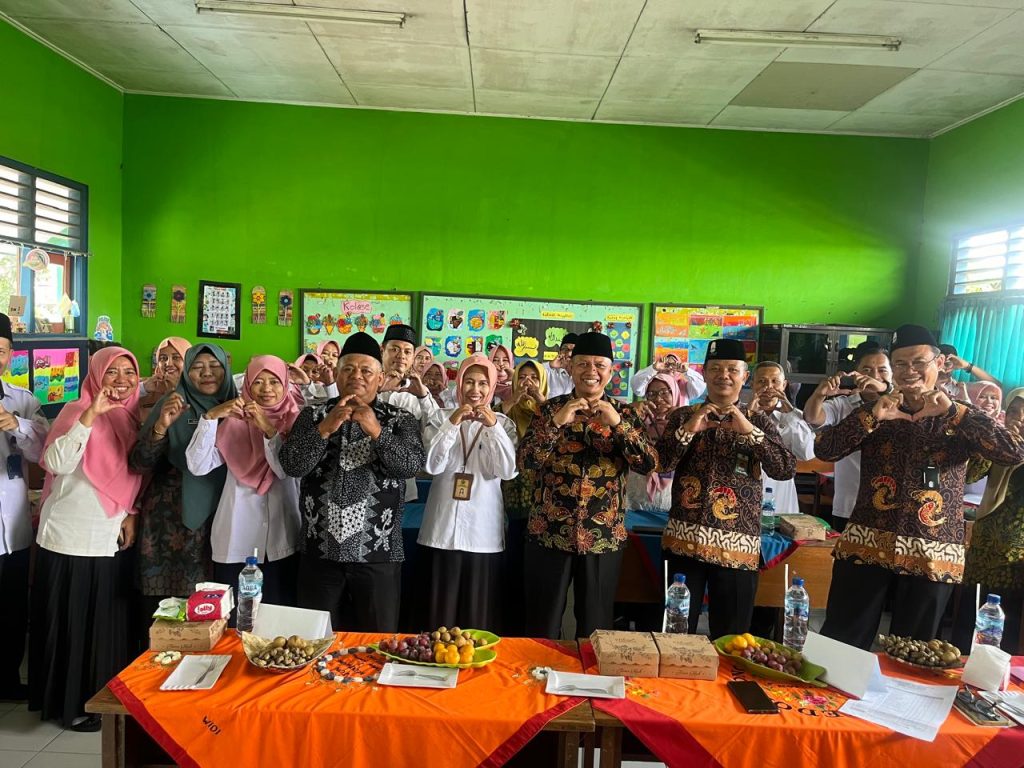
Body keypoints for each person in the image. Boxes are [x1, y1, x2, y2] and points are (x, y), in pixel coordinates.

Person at [816, 325, 1024, 649]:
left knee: (913, 654)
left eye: (918, 362)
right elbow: (825, 449)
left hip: (933, 553)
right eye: (900, 364)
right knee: (841, 643)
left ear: (939, 363)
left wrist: (956, 414)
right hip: (866, 544)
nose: (909, 371)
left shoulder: (961, 414)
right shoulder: (877, 411)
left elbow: (1013, 452)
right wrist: (871, 416)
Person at [29, 347, 143, 731]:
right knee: (73, 624)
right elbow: (55, 463)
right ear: (96, 375)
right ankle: (68, 704)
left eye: (129, 372)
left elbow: (137, 474)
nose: (122, 380)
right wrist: (90, 416)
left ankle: (101, 701)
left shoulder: (132, 417)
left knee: (103, 624)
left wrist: (132, 512)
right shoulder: (76, 411)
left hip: (109, 535)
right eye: (112, 372)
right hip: (69, 536)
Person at [279, 332, 425, 631]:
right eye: (348, 368)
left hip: (379, 554)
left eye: (366, 370)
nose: (356, 376)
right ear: (336, 373)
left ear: (380, 378)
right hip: (319, 553)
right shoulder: (313, 415)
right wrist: (325, 428)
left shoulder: (400, 419)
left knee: (377, 642)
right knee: (313, 642)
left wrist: (377, 431)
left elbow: (410, 466)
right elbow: (292, 465)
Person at [518, 332, 657, 639]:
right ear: (570, 367)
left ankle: (590, 672)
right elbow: (525, 462)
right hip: (549, 532)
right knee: (541, 623)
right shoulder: (548, 410)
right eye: (582, 363)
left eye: (599, 364)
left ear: (611, 370)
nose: (590, 371)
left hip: (603, 537)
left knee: (596, 628)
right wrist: (557, 423)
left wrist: (618, 426)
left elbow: (648, 464)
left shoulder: (626, 413)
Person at [658, 339, 796, 637]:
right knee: (675, 634)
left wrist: (750, 432)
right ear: (704, 373)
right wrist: (689, 429)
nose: (724, 375)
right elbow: (661, 463)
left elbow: (784, 468)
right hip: (684, 542)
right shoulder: (682, 416)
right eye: (716, 369)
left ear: (744, 376)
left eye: (733, 369)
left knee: (732, 639)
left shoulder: (758, 420)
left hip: (738, 547)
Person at [131, 344, 237, 625]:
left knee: (220, 607)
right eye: (197, 367)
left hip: (225, 516)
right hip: (172, 522)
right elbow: (139, 463)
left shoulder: (239, 405)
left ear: (226, 369)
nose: (207, 373)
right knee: (170, 612)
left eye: (214, 366)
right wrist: (161, 426)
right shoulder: (173, 403)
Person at [185, 356, 301, 607]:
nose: (266, 389)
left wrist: (267, 428)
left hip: (282, 539)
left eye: (274, 381)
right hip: (237, 536)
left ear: (285, 384)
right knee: (238, 618)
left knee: (280, 617)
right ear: (247, 385)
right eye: (258, 382)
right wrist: (210, 418)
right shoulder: (234, 423)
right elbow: (197, 465)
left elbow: (285, 470)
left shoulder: (297, 421)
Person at [418, 355, 517, 630]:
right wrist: (452, 423)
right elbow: (431, 465)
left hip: (482, 533)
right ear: (459, 383)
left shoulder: (504, 424)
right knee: (439, 615)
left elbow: (507, 471)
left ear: (492, 386)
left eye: (483, 383)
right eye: (469, 382)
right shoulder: (440, 417)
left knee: (476, 617)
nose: (475, 389)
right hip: (441, 529)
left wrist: (492, 428)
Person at [951, 388, 1024, 655]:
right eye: (1013, 411)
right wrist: (994, 445)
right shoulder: (998, 443)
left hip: (1015, 555)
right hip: (983, 546)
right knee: (970, 618)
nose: (1019, 418)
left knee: (1006, 629)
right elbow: (970, 475)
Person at [0, 314, 48, 700]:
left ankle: (7, 680)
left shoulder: (23, 400)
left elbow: (43, 452)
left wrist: (16, 425)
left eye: (0, 351)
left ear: (10, 354)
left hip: (12, 523)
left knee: (13, 605)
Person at [802, 342, 892, 533]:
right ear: (855, 374)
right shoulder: (844, 404)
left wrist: (885, 389)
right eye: (867, 370)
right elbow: (812, 417)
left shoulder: (901, 407)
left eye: (882, 370)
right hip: (849, 505)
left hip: (892, 509)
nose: (874, 376)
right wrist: (819, 395)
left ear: (892, 374)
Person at [500, 359, 549, 635]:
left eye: (534, 377)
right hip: (510, 501)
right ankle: (510, 627)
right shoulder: (505, 410)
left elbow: (559, 431)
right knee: (513, 565)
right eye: (522, 377)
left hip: (543, 503)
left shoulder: (550, 411)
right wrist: (511, 401)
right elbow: (492, 425)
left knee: (538, 571)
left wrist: (541, 401)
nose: (528, 382)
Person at [378, 324, 445, 501]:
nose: (401, 356)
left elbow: (437, 430)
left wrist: (423, 397)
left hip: (404, 486)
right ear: (382, 350)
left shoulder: (419, 391)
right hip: (368, 482)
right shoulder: (368, 384)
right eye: (394, 349)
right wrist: (377, 391)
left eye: (407, 352)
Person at [748, 361, 815, 514]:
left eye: (775, 381)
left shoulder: (794, 416)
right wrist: (748, 416)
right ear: (752, 384)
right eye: (761, 381)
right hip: (746, 488)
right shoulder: (742, 414)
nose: (768, 387)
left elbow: (806, 453)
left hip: (780, 490)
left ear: (784, 385)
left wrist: (790, 412)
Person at [625, 373, 679, 512]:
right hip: (637, 493)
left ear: (674, 393)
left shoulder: (686, 421)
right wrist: (632, 413)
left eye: (664, 392)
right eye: (651, 394)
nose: (658, 399)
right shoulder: (639, 420)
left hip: (671, 495)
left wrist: (680, 418)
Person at [138, 337, 191, 421]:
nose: (168, 364)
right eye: (163, 358)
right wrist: (143, 388)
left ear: (189, 361)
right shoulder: (147, 385)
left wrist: (179, 390)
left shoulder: (198, 389)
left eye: (176, 357)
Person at [631, 354, 706, 405]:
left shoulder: (684, 386)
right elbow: (636, 385)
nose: (670, 368)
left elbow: (701, 385)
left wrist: (687, 371)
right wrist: (653, 368)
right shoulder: (652, 383)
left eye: (674, 365)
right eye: (666, 365)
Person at [544, 333, 577, 399]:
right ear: (559, 352)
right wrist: (550, 365)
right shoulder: (549, 371)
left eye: (573, 350)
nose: (569, 354)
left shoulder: (583, 374)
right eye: (565, 349)